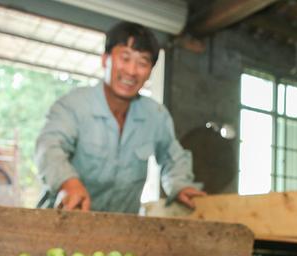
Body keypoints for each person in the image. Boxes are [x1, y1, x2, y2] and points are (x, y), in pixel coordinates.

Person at [35, 22, 206, 213]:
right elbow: (48, 147)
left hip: (119, 231)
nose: (132, 71)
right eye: (125, 58)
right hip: (61, 222)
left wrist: (180, 185)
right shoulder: (74, 105)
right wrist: (68, 183)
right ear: (105, 60)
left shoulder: (156, 116)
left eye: (142, 62)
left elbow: (172, 157)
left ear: (150, 71)